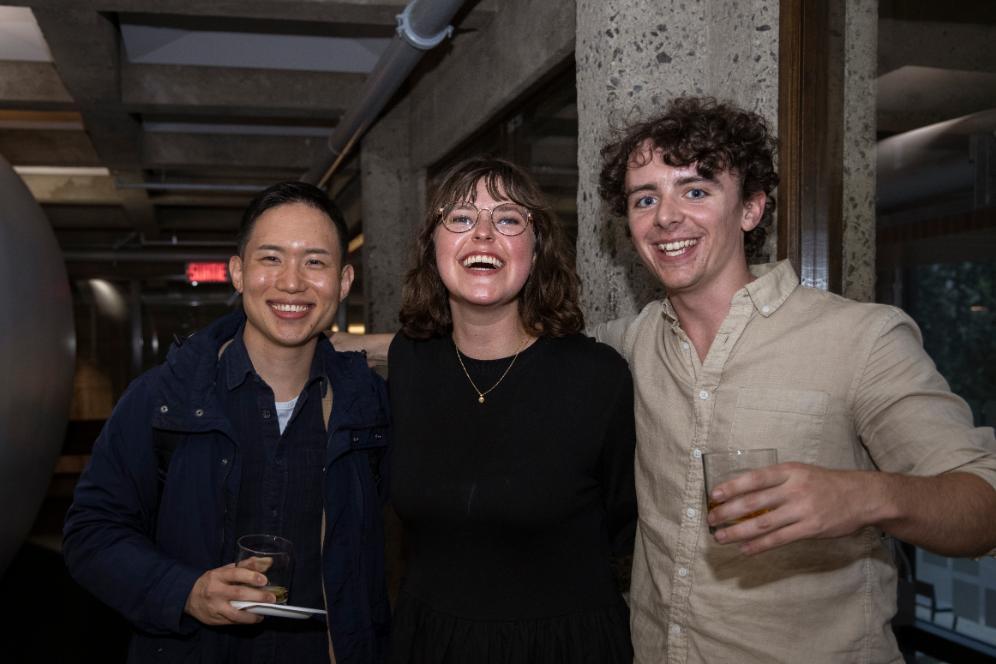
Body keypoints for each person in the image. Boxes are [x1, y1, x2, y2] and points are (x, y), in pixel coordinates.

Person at [592, 96, 996, 663]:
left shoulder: (862, 338)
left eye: (697, 190)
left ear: (751, 209)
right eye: (645, 198)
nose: (666, 216)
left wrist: (865, 496)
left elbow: (983, 506)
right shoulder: (625, 346)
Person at [63, 182, 391, 664]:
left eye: (315, 262)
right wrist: (187, 591)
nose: (293, 282)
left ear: (343, 282)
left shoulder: (370, 407)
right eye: (271, 258)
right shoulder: (163, 399)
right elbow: (91, 533)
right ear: (238, 272)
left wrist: (393, 349)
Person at [386, 157, 636, 662]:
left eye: (506, 219)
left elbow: (625, 525)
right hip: (428, 643)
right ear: (433, 244)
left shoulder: (596, 375)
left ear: (536, 246)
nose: (482, 233)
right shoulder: (408, 360)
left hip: (563, 646)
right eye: (459, 217)